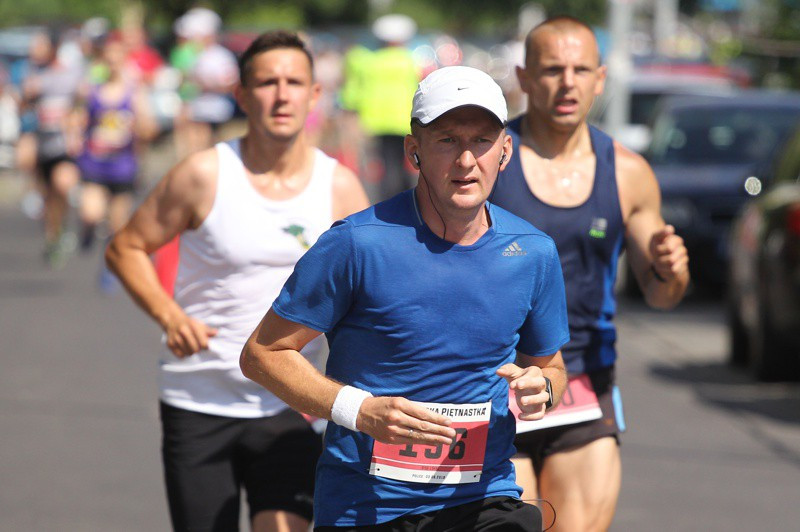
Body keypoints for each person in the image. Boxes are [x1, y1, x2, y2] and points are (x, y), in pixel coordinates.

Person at [241, 65, 570, 531]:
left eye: (481, 140)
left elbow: (552, 366)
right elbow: (262, 353)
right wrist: (362, 411)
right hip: (369, 507)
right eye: (447, 141)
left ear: (505, 151)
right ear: (413, 151)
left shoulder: (533, 253)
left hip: (483, 500)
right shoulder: (357, 243)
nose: (466, 160)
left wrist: (545, 388)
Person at [106, 31, 369, 531]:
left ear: (315, 95)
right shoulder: (205, 174)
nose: (281, 93)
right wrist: (169, 315)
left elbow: (372, 292)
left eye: (295, 82)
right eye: (266, 82)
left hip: (293, 404)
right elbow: (126, 247)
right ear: (242, 96)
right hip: (199, 400)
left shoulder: (339, 188)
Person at [492, 16, 690, 531]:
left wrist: (670, 272)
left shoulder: (628, 171)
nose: (567, 82)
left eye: (581, 69)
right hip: (492, 385)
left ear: (600, 79)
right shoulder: (488, 161)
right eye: (553, 69)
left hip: (583, 382)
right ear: (525, 76)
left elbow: (661, 293)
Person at [22, 29, 84, 267]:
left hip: (62, 143)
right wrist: (27, 96)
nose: (33, 50)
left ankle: (61, 227)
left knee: (61, 184)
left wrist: (75, 122)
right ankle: (52, 233)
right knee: (48, 194)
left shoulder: (70, 73)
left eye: (39, 45)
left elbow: (82, 103)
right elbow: (21, 108)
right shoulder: (30, 72)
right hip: (40, 140)